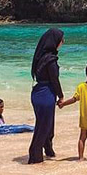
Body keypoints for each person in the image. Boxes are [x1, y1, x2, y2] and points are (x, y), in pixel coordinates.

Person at [28, 28, 64, 164]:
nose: (63, 42)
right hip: (46, 95)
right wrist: (61, 96)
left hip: (37, 92)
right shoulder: (51, 59)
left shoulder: (40, 57)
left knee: (46, 126)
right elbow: (54, 79)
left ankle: (48, 151)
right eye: (61, 39)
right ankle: (34, 157)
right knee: (43, 128)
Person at [59, 62, 87, 161]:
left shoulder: (81, 86)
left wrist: (63, 104)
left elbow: (74, 99)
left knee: (82, 137)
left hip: (83, 118)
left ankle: (80, 158)